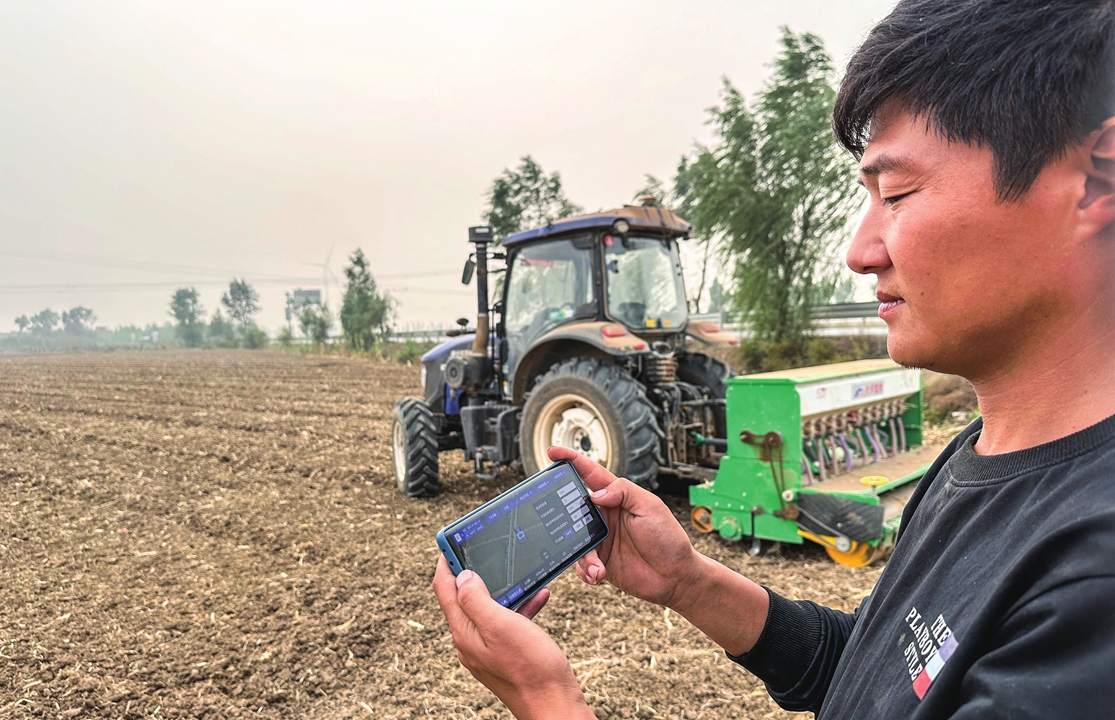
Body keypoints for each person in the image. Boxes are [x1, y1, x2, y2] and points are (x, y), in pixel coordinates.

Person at [433, 0, 1115, 716]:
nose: (859, 251)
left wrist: (547, 700)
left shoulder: (1092, 587)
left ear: (1096, 178)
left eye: (898, 193)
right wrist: (690, 580)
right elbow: (875, 674)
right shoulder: (986, 454)